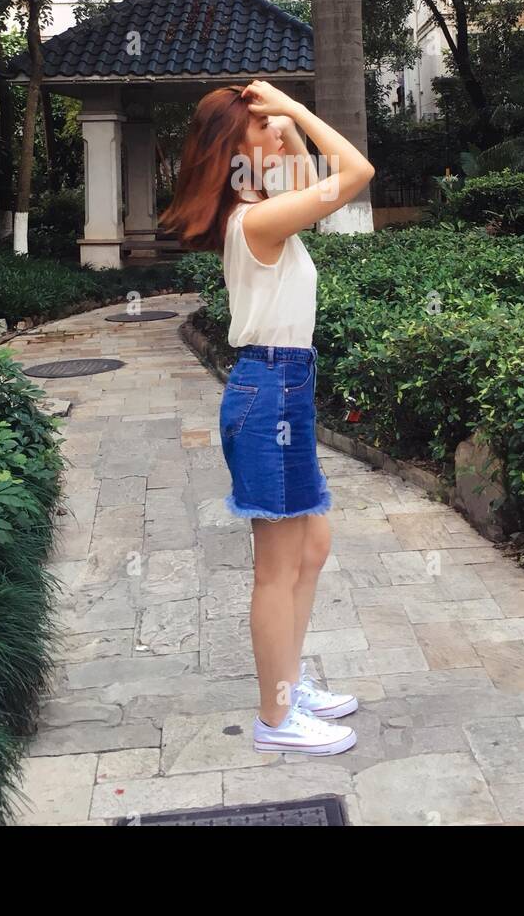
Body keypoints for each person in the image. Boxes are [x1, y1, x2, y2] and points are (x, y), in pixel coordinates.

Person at [159, 79, 375, 756]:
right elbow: (357, 174)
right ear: (234, 147)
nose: (276, 134)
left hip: (284, 387)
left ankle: (289, 683)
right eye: (262, 127)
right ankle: (276, 718)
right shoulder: (255, 221)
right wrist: (300, 107)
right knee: (276, 569)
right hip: (268, 393)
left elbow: (312, 173)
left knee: (311, 547)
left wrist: (286, 122)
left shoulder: (264, 207)